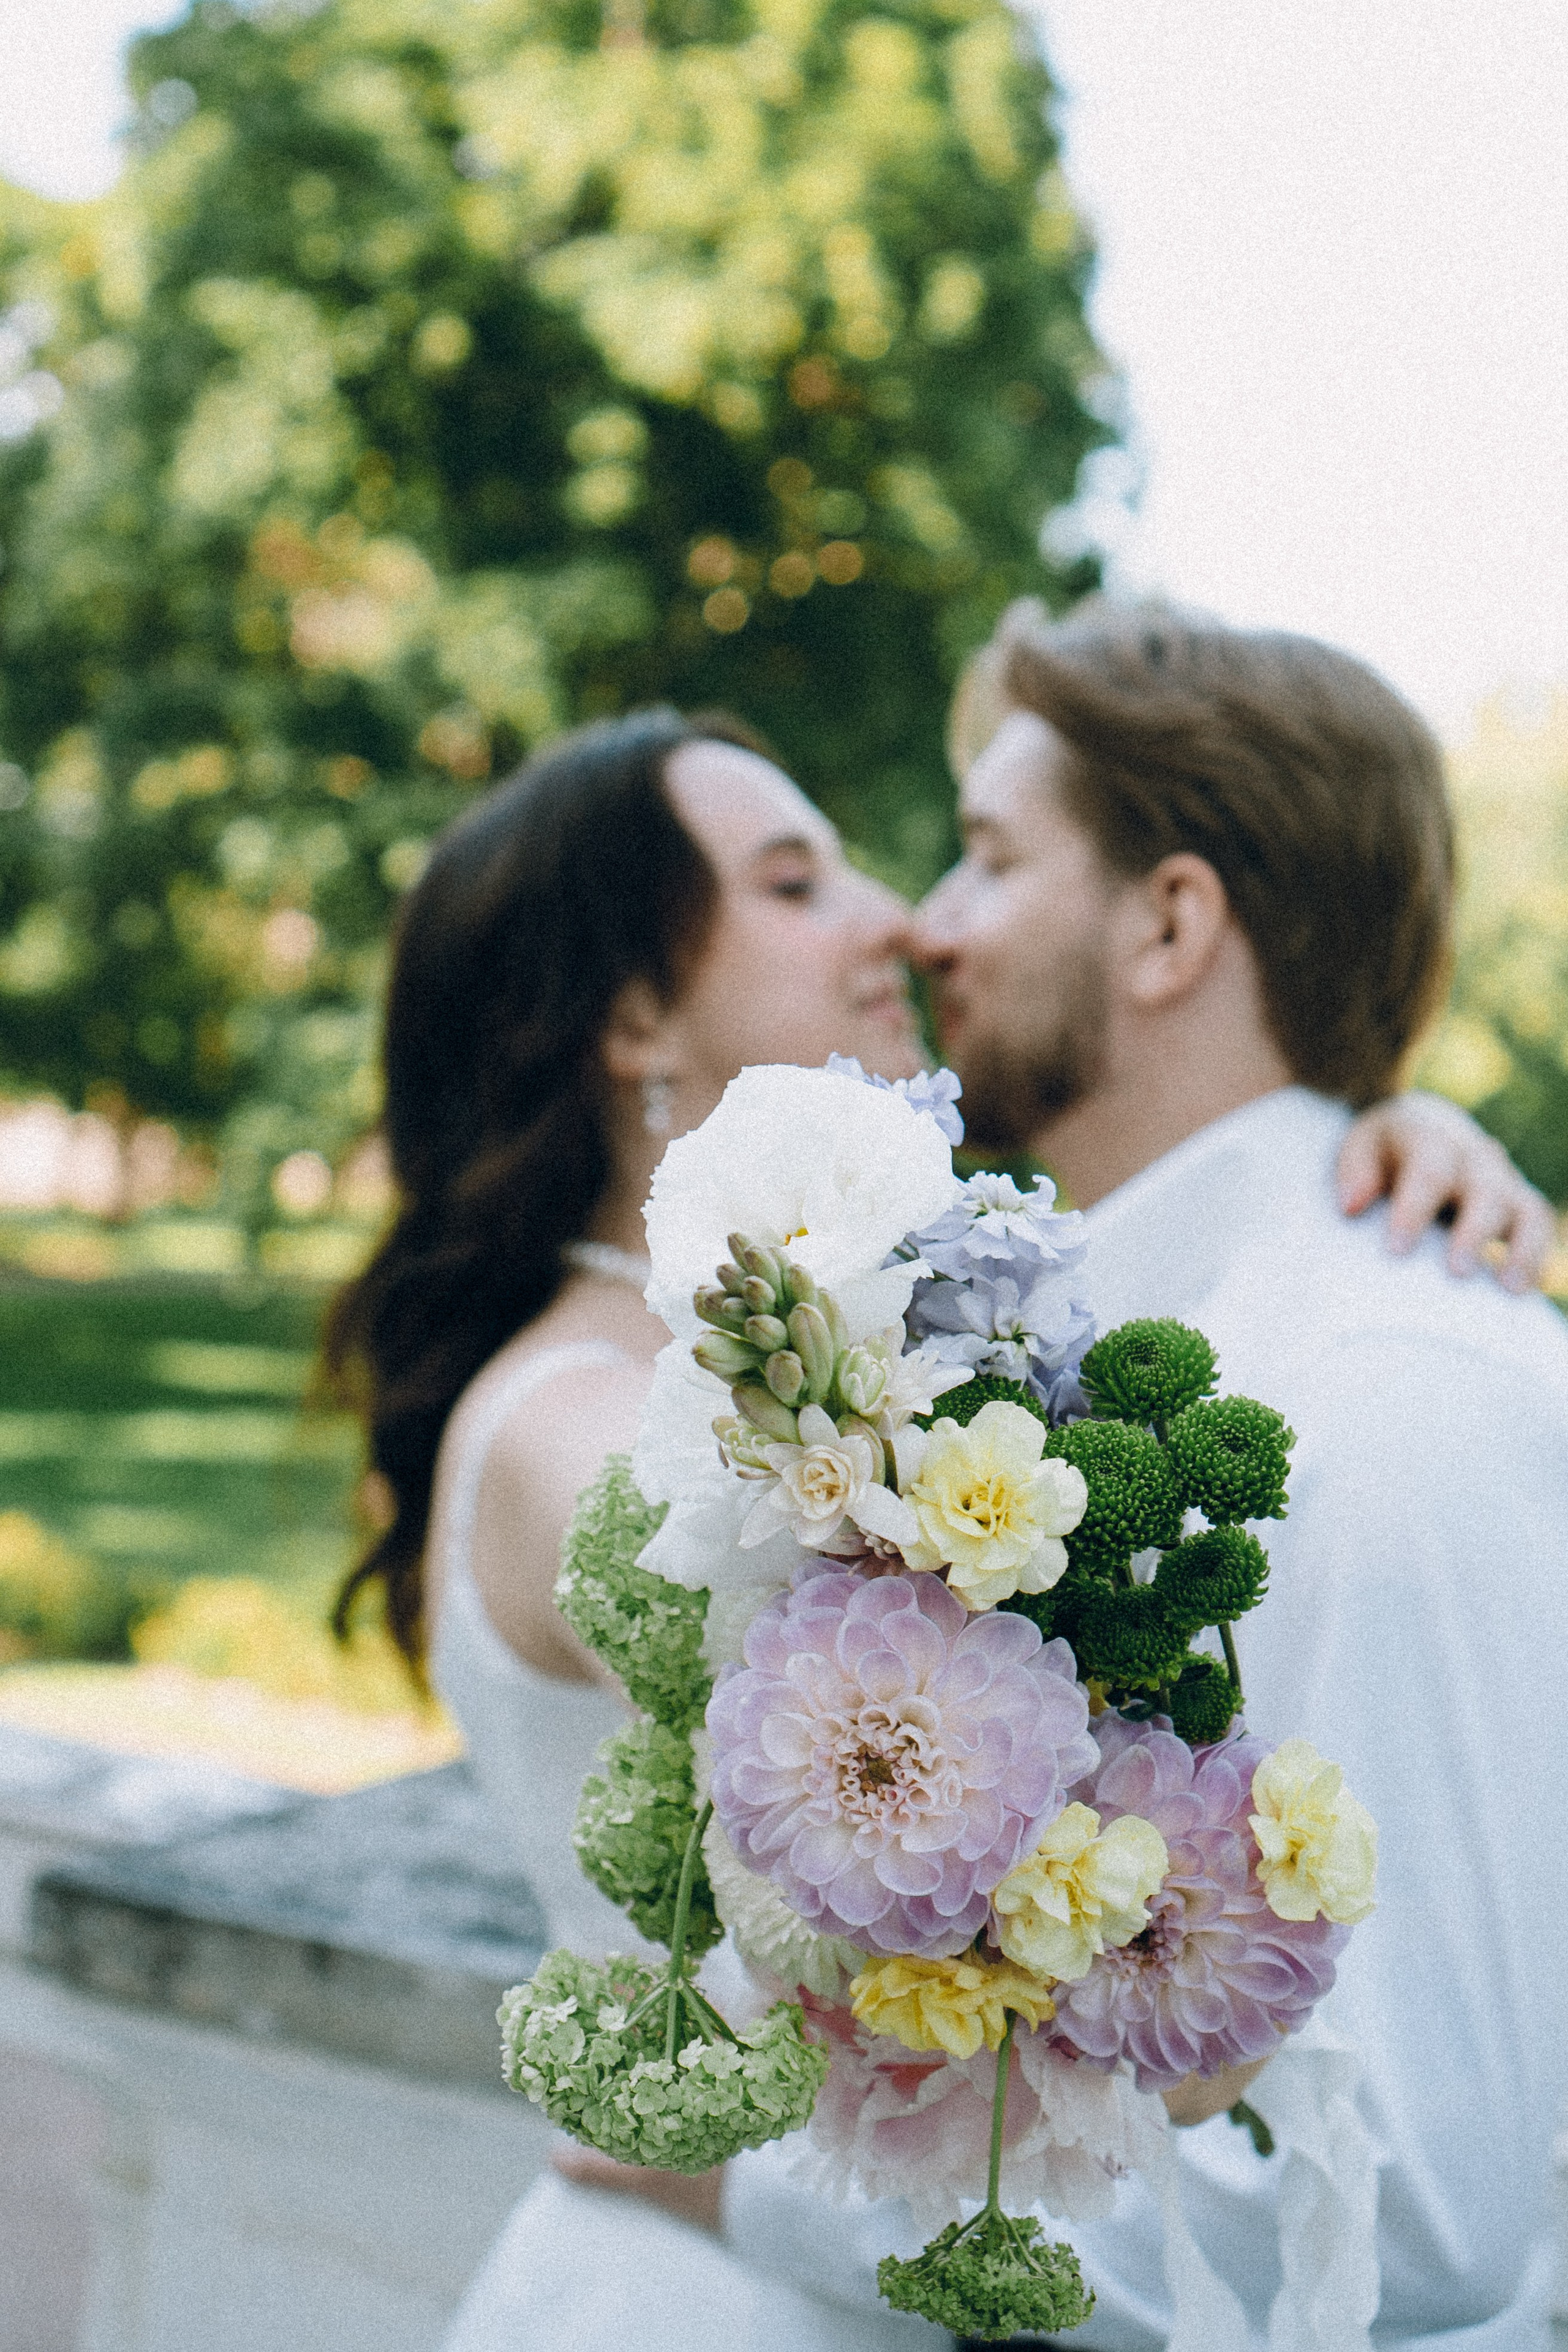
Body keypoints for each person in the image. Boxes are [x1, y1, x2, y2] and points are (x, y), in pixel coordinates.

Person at [325, 701, 1551, 2352]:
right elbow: (998, 1778)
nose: (895, 917)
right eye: (793, 880)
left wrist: (1347, 1154)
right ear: (631, 1013)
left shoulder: (829, 1354)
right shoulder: (588, 1427)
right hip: (719, 2286)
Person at [905, 598, 1568, 2347]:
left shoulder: (1385, 1407)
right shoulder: (1033, 1359)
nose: (927, 921)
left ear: (1173, 921)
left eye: (985, 857)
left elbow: (1407, 2219)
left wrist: (760, 2181)